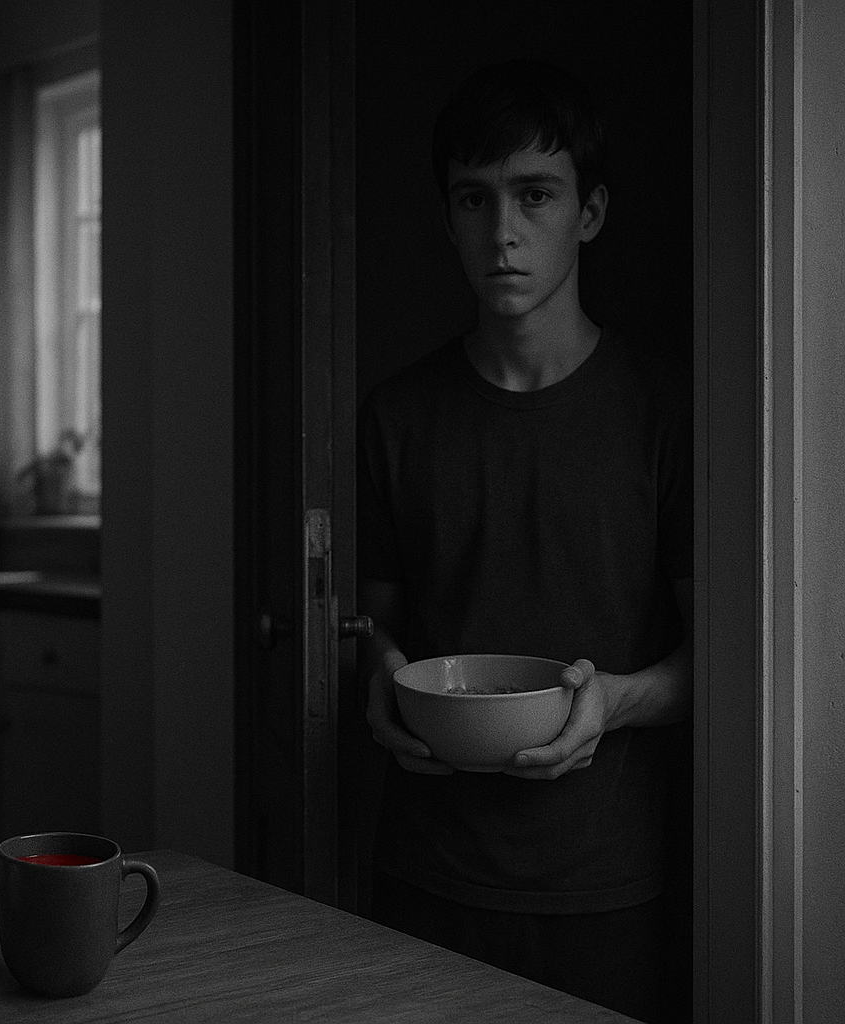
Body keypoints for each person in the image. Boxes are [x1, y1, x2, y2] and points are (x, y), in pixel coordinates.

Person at [356, 59, 693, 1023]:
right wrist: (378, 679)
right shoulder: (396, 418)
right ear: (449, 216)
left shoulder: (667, 411)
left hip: (605, 882)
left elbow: (729, 662)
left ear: (590, 212)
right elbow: (368, 626)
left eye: (534, 194)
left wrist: (613, 702)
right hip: (425, 873)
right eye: (474, 198)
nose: (501, 230)